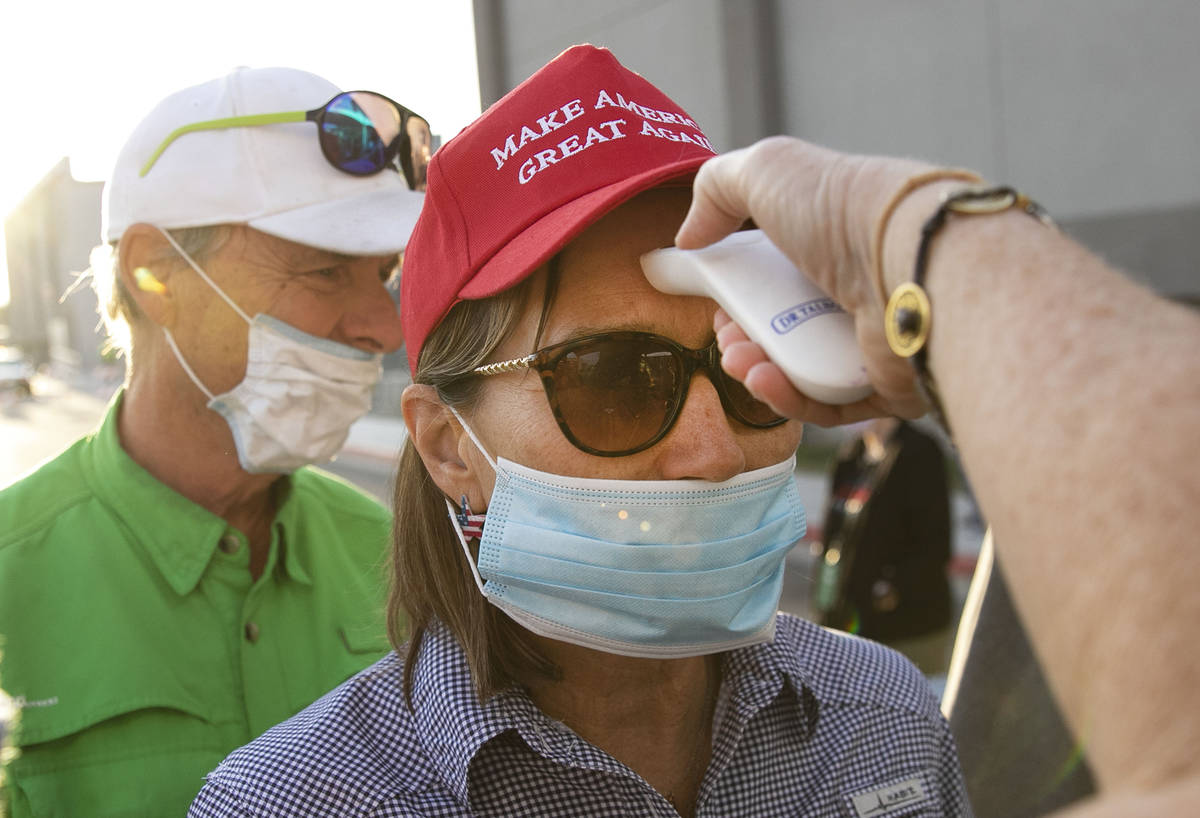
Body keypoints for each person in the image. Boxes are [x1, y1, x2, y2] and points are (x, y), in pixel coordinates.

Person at [189, 45, 970, 817]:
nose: (715, 451)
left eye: (749, 367)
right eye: (614, 377)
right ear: (447, 445)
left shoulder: (888, 720)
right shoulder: (286, 805)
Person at [670, 138, 1200, 816]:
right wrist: (933, 241)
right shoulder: (859, 456)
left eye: (734, 386)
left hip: (906, 619)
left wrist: (912, 235)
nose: (714, 454)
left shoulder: (893, 706)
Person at [0, 67, 431, 815]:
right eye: (326, 270)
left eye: (384, 275)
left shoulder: (392, 552)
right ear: (153, 273)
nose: (382, 326)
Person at [812, 417, 953, 674]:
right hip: (849, 621)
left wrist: (890, 591)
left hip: (906, 629)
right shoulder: (852, 454)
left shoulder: (918, 451)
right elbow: (834, 534)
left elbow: (935, 544)